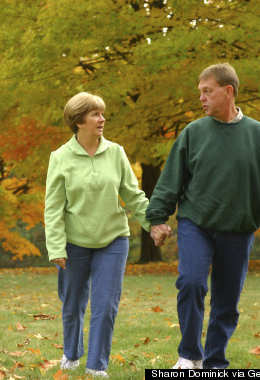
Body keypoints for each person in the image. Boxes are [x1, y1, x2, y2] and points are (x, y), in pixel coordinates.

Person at [146, 63, 260, 369]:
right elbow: (170, 180)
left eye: (207, 91)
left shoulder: (258, 134)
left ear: (228, 92)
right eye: (200, 92)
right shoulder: (193, 133)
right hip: (195, 223)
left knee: (226, 302)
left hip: (238, 228)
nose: (201, 98)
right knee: (192, 282)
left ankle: (214, 363)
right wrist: (157, 219)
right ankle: (189, 355)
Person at [44, 92, 169, 377]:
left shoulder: (115, 152)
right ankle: (72, 354)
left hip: (113, 238)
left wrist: (154, 224)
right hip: (74, 242)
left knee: (106, 304)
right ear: (78, 121)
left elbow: (134, 196)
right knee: (73, 303)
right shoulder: (60, 158)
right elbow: (53, 208)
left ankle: (96, 366)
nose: (102, 119)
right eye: (95, 114)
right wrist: (56, 248)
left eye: (102, 113)